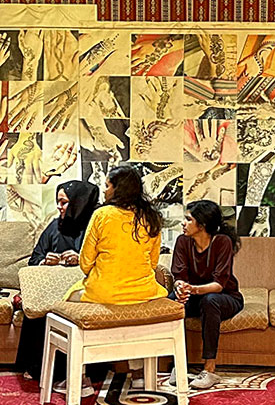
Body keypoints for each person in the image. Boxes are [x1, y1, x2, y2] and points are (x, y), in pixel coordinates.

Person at [15, 180, 100, 382]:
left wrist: (80, 260)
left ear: (79, 203)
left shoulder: (95, 227)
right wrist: (46, 261)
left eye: (64, 202)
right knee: (38, 306)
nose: (59, 207)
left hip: (82, 292)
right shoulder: (55, 226)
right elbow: (33, 260)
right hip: (52, 292)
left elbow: (105, 262)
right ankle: (41, 369)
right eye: (58, 202)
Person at [170, 200, 243, 390]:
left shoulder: (222, 242)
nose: (183, 224)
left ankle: (209, 370)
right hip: (195, 296)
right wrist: (180, 288)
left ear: (201, 225)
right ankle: (178, 365)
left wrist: (192, 289)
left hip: (226, 297)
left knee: (210, 301)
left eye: (188, 219)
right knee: (170, 303)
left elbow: (219, 285)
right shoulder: (182, 241)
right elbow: (179, 275)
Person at [73, 164, 167, 306]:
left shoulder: (102, 214)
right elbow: (153, 263)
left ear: (118, 189)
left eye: (107, 186)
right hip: (145, 292)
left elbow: (85, 263)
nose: (104, 191)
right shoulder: (151, 217)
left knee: (69, 296)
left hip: (106, 293)